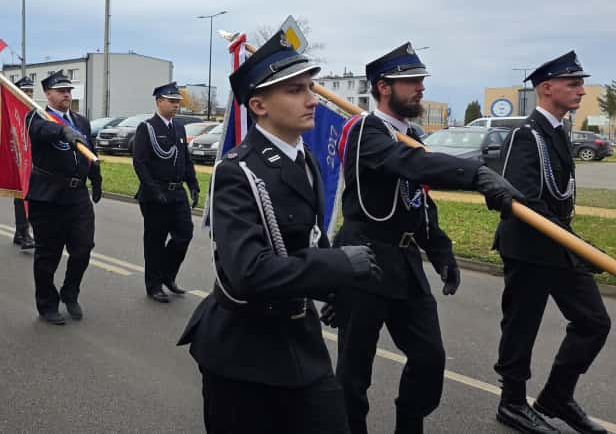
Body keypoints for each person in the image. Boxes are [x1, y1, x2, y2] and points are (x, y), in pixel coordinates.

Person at [178, 31, 382, 433]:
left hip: (299, 338)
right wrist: (336, 265)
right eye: (295, 90)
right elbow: (249, 271)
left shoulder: (305, 159)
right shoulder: (239, 171)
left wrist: (336, 286)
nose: (312, 99)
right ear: (258, 105)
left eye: (310, 88)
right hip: (243, 351)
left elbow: (306, 240)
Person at [325, 43, 522, 434]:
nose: (420, 88)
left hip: (405, 265)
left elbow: (418, 201)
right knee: (353, 372)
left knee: (429, 359)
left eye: (420, 81)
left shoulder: (411, 135)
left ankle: (409, 425)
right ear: (383, 87)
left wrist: (442, 251)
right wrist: (476, 174)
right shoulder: (368, 131)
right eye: (411, 81)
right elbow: (410, 166)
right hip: (365, 262)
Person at [492, 52, 611, 434]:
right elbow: (524, 200)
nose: (580, 90)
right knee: (521, 328)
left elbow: (560, 197)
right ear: (546, 88)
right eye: (573, 83)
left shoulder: (558, 132)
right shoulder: (525, 136)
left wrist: (576, 245)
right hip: (528, 249)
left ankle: (556, 396)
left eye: (581, 83)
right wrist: (580, 247)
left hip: (558, 247)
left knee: (593, 321)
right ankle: (511, 403)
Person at [24, 71, 102, 325]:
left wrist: (96, 179)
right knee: (48, 255)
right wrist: (62, 131)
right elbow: (40, 130)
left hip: (77, 195)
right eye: (60, 91)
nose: (67, 94)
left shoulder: (81, 121)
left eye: (69, 90)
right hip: (48, 198)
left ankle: (70, 292)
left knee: (83, 248)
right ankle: (47, 304)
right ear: (47, 94)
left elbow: (90, 150)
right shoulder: (36, 116)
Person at [132, 82, 200, 303]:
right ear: (159, 101)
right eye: (172, 101)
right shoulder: (147, 128)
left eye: (178, 102)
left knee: (184, 235)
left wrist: (193, 184)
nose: (176, 105)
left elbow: (185, 159)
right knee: (155, 241)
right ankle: (154, 286)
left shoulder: (179, 127)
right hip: (155, 194)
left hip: (177, 192)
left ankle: (168, 275)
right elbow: (140, 163)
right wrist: (153, 190)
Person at [0, 75, 36, 249]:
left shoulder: (35, 113)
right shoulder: (9, 114)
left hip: (33, 164)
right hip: (16, 162)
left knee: (29, 198)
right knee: (21, 197)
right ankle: (24, 233)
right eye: (25, 91)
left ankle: (19, 233)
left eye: (30, 91)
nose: (28, 94)